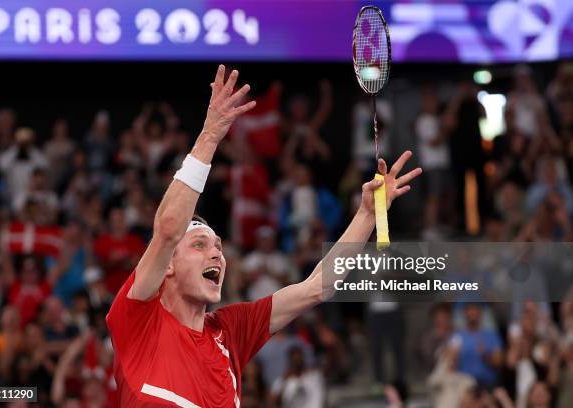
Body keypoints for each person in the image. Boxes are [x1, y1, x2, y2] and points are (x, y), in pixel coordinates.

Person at [105, 65, 422, 407]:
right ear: (167, 265)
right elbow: (168, 228)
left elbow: (319, 286)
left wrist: (366, 215)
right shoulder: (137, 318)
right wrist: (211, 135)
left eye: (218, 246)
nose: (216, 254)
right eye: (199, 245)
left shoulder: (230, 331)